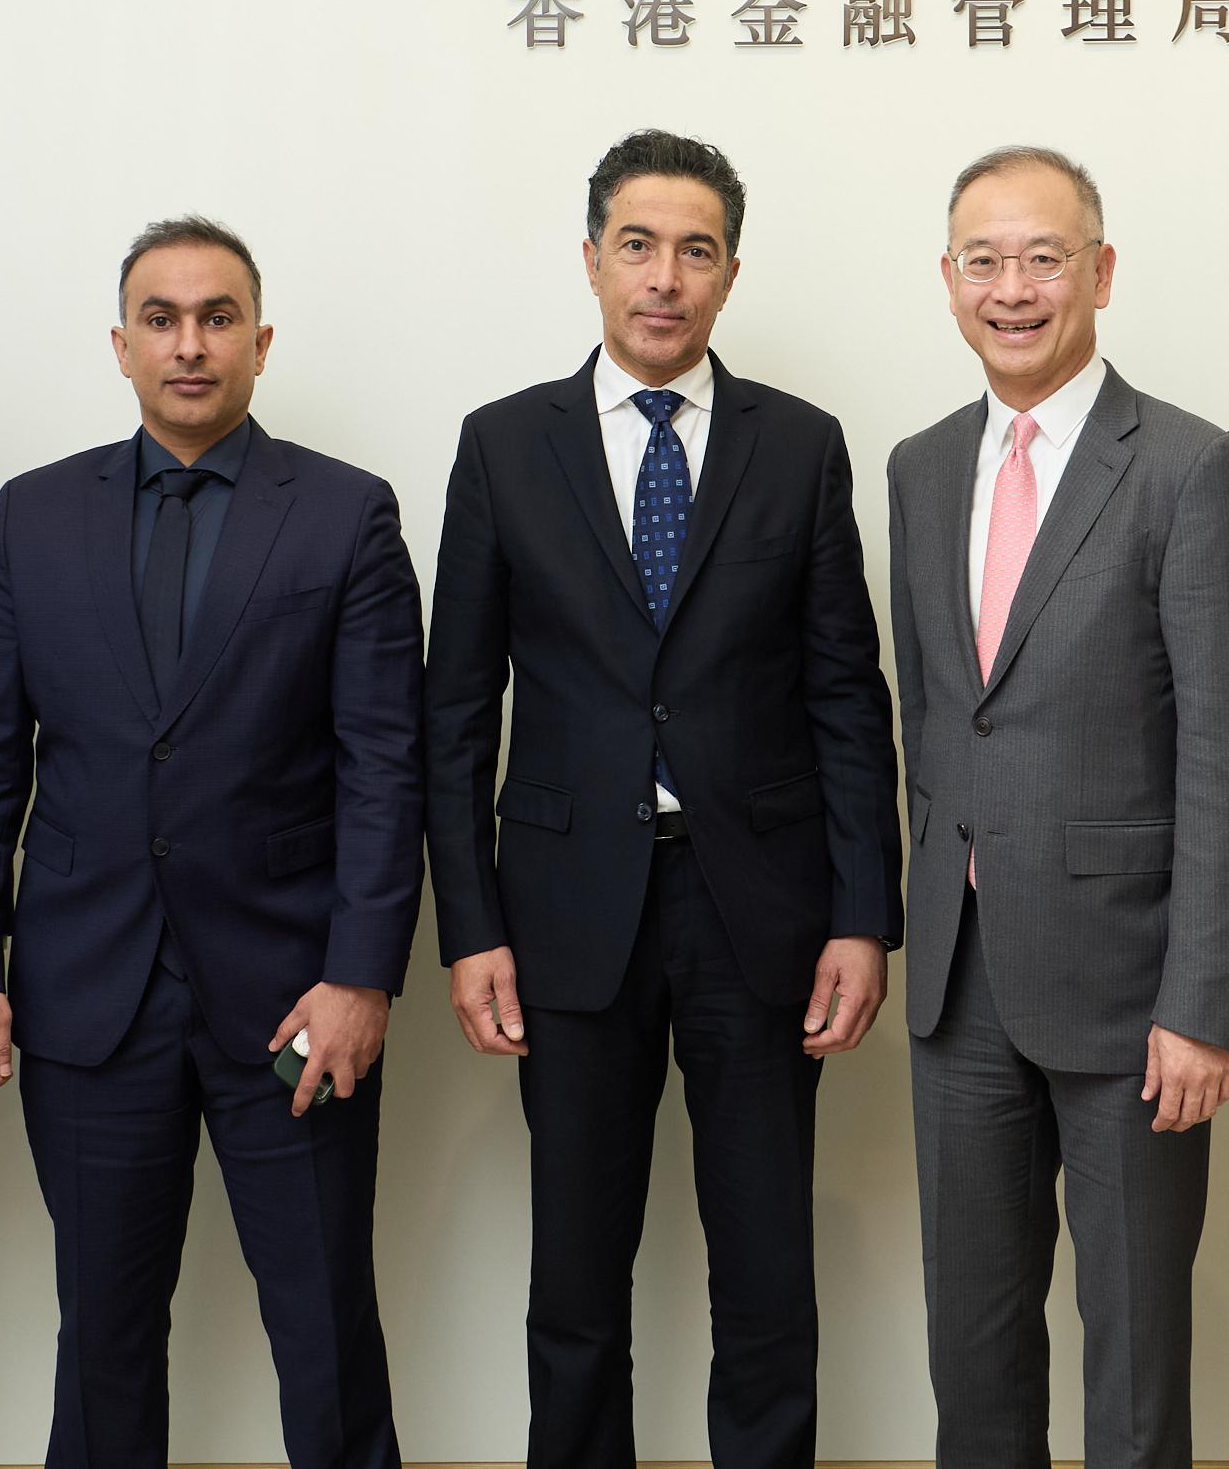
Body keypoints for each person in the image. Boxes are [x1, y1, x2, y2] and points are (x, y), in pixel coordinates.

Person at [421, 128, 897, 1469]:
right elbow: (457, 707)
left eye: (697, 249)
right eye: (638, 243)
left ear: (731, 273)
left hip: (762, 909)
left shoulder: (796, 445)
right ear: (591, 260)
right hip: (567, 911)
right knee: (575, 1276)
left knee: (764, 1273)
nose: (665, 275)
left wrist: (864, 913)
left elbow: (845, 695)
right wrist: (470, 926)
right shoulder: (507, 445)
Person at [0, 217, 424, 1469]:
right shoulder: (33, 518)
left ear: (258, 341)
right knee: (102, 1333)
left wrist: (361, 974)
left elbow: (384, 765)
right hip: (89, 995)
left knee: (324, 1324)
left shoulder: (345, 514)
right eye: (160, 318)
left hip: (294, 997)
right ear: (121, 345)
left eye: (214, 318)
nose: (188, 344)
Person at [890, 144, 1229, 1469]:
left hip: (1134, 992)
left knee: (1132, 1366)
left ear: (1100, 272)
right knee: (974, 1353)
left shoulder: (1185, 465)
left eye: (1043, 257)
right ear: (949, 281)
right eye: (985, 261)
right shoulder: (919, 466)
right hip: (958, 976)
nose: (1014, 288)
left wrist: (1203, 1003)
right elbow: (935, 723)